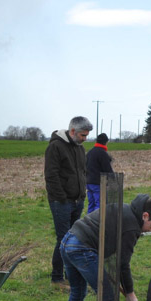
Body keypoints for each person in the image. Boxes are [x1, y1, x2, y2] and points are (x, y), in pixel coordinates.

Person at [45, 116, 92, 285]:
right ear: (73, 131)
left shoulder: (80, 148)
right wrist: (62, 198)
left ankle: (70, 275)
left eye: (86, 136)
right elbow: (51, 175)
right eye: (83, 135)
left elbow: (82, 172)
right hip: (61, 203)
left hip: (77, 200)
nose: (85, 139)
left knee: (74, 239)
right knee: (63, 239)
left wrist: (81, 194)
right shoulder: (55, 147)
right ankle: (57, 277)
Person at [85, 133, 114, 213]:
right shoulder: (102, 153)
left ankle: (88, 222)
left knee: (91, 204)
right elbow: (107, 169)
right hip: (98, 183)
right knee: (99, 204)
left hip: (88, 182)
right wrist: (113, 178)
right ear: (106, 142)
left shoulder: (90, 152)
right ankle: (96, 223)